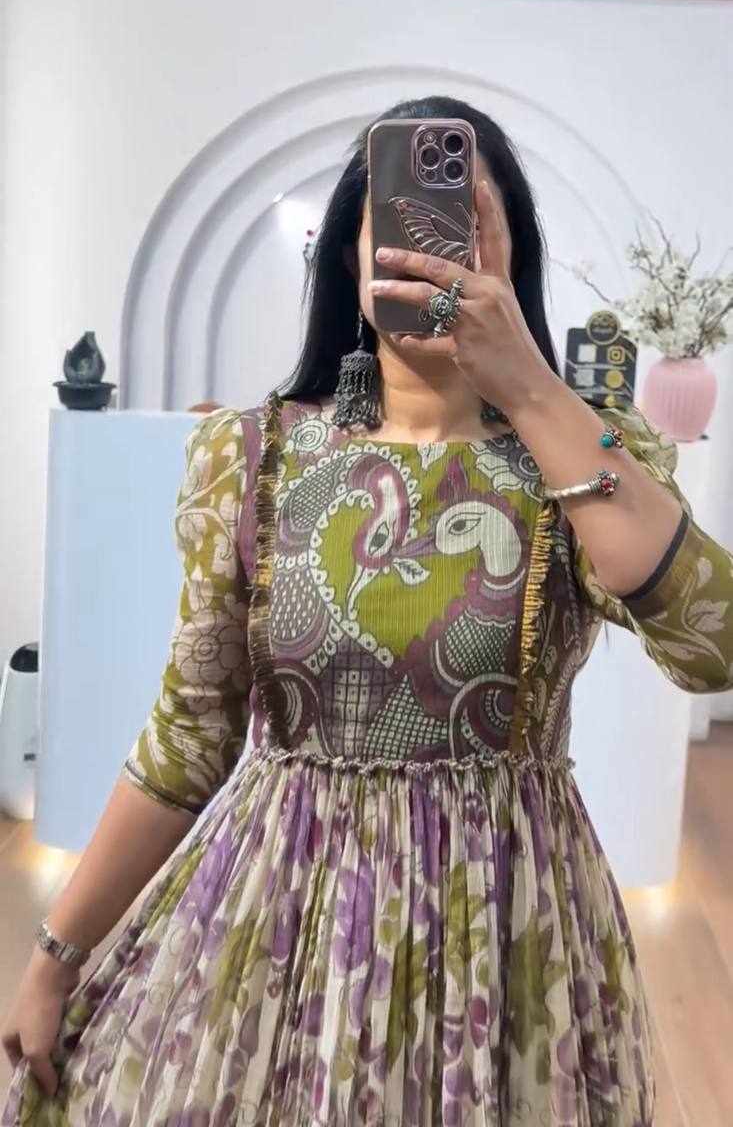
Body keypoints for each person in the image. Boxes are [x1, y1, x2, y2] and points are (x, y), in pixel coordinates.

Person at [3, 95, 732, 1127]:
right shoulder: (251, 456)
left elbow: (711, 644)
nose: (427, 246)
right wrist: (53, 955)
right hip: (281, 930)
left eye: (464, 220)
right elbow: (190, 734)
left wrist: (532, 390)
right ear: (350, 256)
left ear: (510, 253)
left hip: (507, 938)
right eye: (398, 220)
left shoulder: (580, 454)